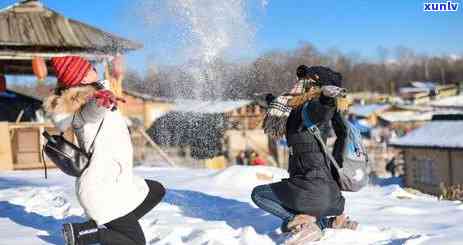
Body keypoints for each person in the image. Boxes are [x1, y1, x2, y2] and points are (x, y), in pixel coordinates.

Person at [44, 56, 165, 245]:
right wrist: (102, 101)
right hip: (101, 188)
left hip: (116, 181)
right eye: (90, 67)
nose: (94, 68)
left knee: (155, 191)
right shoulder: (84, 107)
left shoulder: (96, 93)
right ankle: (86, 234)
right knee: (136, 243)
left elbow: (100, 96)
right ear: (83, 79)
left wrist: (112, 78)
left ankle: (111, 223)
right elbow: (93, 111)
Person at [252, 66, 357, 242]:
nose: (299, 83)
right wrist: (269, 99)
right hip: (332, 197)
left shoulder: (310, 108)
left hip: (312, 189)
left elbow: (321, 111)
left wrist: (326, 99)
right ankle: (331, 222)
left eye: (305, 80)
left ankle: (305, 224)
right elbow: (287, 107)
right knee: (300, 203)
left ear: (314, 85)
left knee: (259, 194)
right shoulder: (297, 109)